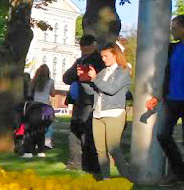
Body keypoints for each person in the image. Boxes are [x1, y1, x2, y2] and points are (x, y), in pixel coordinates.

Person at [145, 14, 184, 185]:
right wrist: (157, 95)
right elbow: (165, 74)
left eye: (174, 28)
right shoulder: (173, 48)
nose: (172, 30)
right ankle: (178, 172)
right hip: (171, 99)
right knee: (162, 135)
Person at [87, 43, 131, 179]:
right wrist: (85, 79)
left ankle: (126, 179)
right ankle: (106, 179)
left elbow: (111, 89)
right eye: (102, 56)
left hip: (114, 113)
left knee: (113, 148)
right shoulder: (103, 72)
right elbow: (94, 90)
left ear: (115, 55)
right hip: (97, 114)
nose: (103, 59)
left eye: (106, 56)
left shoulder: (123, 71)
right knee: (100, 150)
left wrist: (95, 79)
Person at [63, 36, 104, 174]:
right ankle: (75, 162)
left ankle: (89, 164)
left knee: (87, 134)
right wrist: (77, 73)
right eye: (82, 46)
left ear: (94, 45)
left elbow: (101, 79)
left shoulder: (99, 60)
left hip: (90, 100)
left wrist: (85, 75)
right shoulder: (80, 61)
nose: (84, 48)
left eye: (87, 46)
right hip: (79, 100)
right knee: (75, 132)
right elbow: (66, 78)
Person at [21, 65, 55, 158]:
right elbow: (53, 94)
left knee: (30, 130)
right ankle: (41, 151)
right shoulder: (51, 81)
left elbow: (29, 94)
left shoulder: (33, 81)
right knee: (41, 130)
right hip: (47, 108)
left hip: (35, 107)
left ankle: (28, 152)